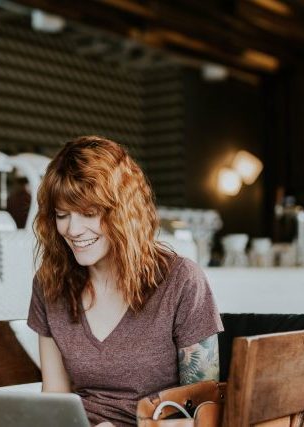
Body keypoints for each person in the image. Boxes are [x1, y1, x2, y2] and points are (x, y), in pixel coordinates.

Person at [27, 136, 223, 427]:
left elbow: (206, 413)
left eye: (89, 213)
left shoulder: (181, 281)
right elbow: (54, 399)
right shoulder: (50, 284)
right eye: (62, 215)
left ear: (122, 212)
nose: (73, 229)